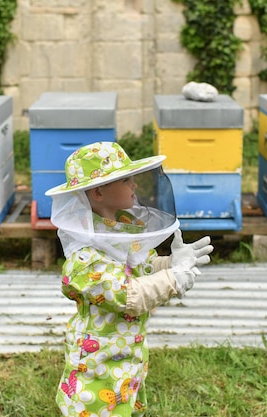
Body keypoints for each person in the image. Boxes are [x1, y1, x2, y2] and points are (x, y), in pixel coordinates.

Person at [45, 141, 213, 416]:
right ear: (98, 191)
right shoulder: (85, 259)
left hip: (126, 345)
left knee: (122, 399)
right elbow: (128, 295)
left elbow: (141, 268)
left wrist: (172, 262)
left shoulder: (117, 231)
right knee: (96, 405)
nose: (134, 185)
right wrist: (173, 278)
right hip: (97, 356)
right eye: (125, 179)